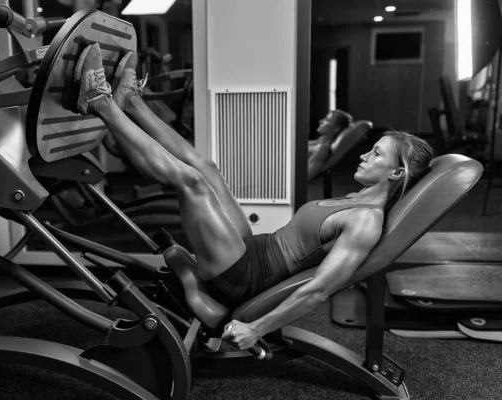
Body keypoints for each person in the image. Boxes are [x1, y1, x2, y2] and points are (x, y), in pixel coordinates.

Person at [69, 43, 434, 352]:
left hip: (243, 278)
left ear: (396, 173)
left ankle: (99, 102)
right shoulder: (358, 198)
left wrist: (255, 328)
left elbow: (319, 289)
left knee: (192, 182)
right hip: (252, 250)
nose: (364, 155)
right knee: (207, 168)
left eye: (377, 155)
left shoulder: (366, 221)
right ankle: (130, 101)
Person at [307, 109, 353, 181]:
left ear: (335, 129)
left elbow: (306, 177)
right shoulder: (315, 143)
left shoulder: (322, 149)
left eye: (326, 120)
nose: (321, 121)